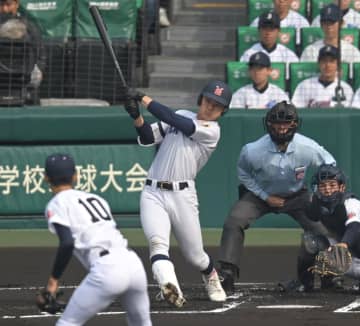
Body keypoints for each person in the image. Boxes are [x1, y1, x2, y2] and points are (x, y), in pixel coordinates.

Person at [124, 80, 231, 307]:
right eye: (209, 100)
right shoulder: (183, 113)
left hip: (183, 196)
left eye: (217, 105)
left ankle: (211, 275)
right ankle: (170, 287)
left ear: (223, 111)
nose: (211, 106)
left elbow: (176, 121)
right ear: (201, 98)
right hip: (153, 193)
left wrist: (143, 98)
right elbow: (146, 138)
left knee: (195, 256)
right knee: (157, 244)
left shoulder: (212, 131)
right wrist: (136, 116)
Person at [217, 101, 336, 294]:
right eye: (277, 123)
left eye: (286, 123)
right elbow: (244, 173)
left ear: (295, 124)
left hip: (298, 195)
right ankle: (227, 273)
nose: (281, 128)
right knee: (234, 220)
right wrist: (265, 196)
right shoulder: (253, 150)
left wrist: (316, 191)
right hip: (261, 196)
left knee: (322, 227)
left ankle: (329, 274)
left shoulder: (307, 147)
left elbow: (330, 164)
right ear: (268, 124)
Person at [42, 153, 152, 326]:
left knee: (67, 323)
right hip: (133, 263)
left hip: (107, 270)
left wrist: (52, 281)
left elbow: (67, 242)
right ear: (75, 176)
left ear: (46, 177)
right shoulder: (96, 199)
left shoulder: (56, 204)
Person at [302, 164, 360, 289]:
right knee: (311, 240)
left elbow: (355, 227)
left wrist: (344, 244)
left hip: (352, 244)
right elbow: (312, 216)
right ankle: (307, 283)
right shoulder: (318, 202)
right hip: (349, 250)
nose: (327, 190)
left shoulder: (351, 202)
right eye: (323, 186)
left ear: (342, 187)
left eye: (332, 185)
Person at [0, 0, 46, 90]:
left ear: (17, 4)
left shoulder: (29, 27)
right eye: (1, 4)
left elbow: (41, 53)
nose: (5, 9)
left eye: (8, 4)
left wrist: (39, 70)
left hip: (24, 80)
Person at [240, 11, 299, 78]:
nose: (268, 33)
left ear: (278, 31)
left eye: (271, 29)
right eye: (265, 28)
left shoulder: (288, 55)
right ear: (259, 30)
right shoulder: (249, 54)